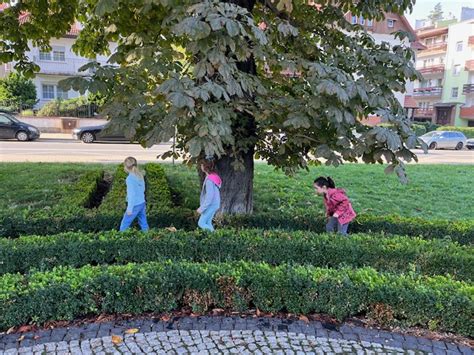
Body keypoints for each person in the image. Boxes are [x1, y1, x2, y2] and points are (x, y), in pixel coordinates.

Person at [119, 156, 149, 232]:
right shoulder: (140, 175)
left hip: (134, 205)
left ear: (126, 167)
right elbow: (143, 189)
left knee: (125, 223)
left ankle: (121, 238)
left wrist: (129, 208)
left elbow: (132, 195)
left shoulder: (129, 179)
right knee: (143, 222)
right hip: (142, 203)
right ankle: (147, 236)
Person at [197, 159, 222, 232]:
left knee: (201, 223)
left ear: (205, 167)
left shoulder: (209, 180)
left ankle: (216, 237)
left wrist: (202, 208)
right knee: (208, 222)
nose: (201, 166)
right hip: (215, 204)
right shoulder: (214, 176)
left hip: (211, 204)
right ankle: (212, 239)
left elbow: (209, 197)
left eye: (202, 165)